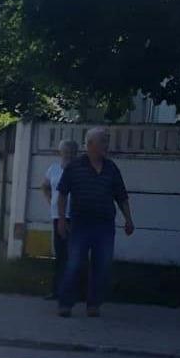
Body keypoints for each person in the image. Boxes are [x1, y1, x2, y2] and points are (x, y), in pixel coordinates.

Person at [56, 128, 135, 318]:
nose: (106, 146)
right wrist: (61, 220)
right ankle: (65, 303)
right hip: (81, 224)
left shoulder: (111, 168)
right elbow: (62, 194)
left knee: (102, 265)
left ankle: (93, 304)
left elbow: (121, 196)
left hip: (104, 225)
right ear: (91, 144)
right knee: (75, 263)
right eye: (103, 142)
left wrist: (128, 219)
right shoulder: (75, 167)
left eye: (107, 141)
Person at [41, 140, 79, 300]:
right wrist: (51, 201)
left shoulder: (79, 169)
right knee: (60, 254)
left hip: (74, 216)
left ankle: (73, 291)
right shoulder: (54, 168)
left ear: (75, 153)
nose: (68, 154)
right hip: (57, 216)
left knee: (73, 254)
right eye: (65, 151)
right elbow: (45, 185)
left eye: (71, 151)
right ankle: (57, 290)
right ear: (60, 152)